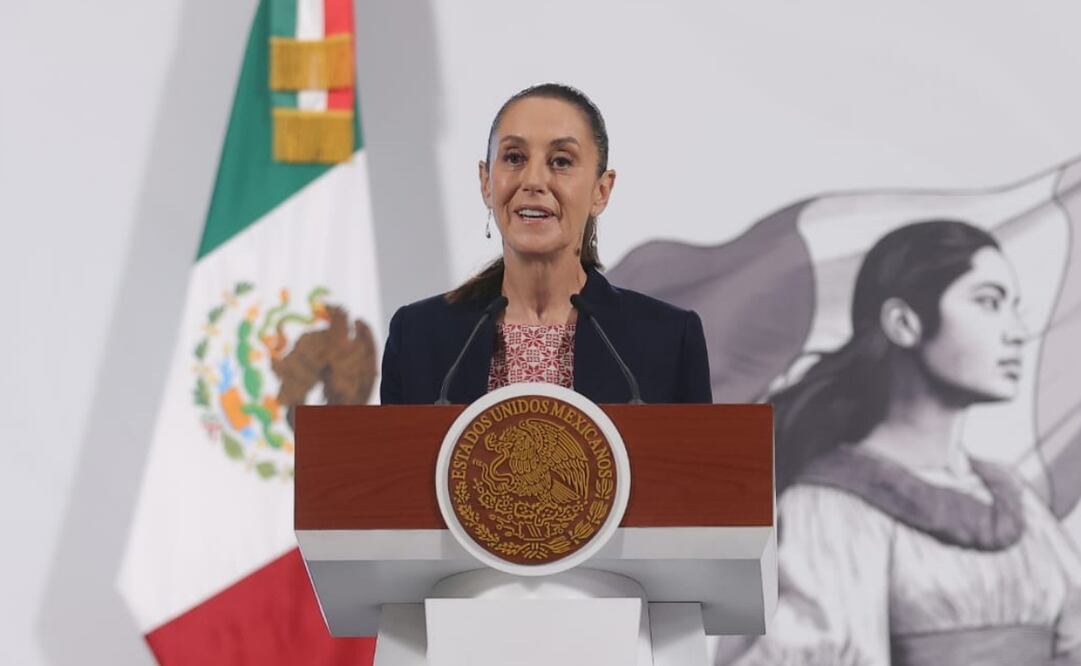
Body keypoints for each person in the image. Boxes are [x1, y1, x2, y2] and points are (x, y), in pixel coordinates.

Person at [726, 220, 1081, 665]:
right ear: (904, 322)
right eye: (989, 302)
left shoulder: (1016, 500)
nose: (1015, 331)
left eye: (1014, 307)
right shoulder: (833, 507)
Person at [380, 83, 712, 405]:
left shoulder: (667, 339)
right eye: (513, 158)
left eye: (561, 161)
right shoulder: (417, 337)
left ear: (601, 191)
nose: (534, 181)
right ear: (485, 183)